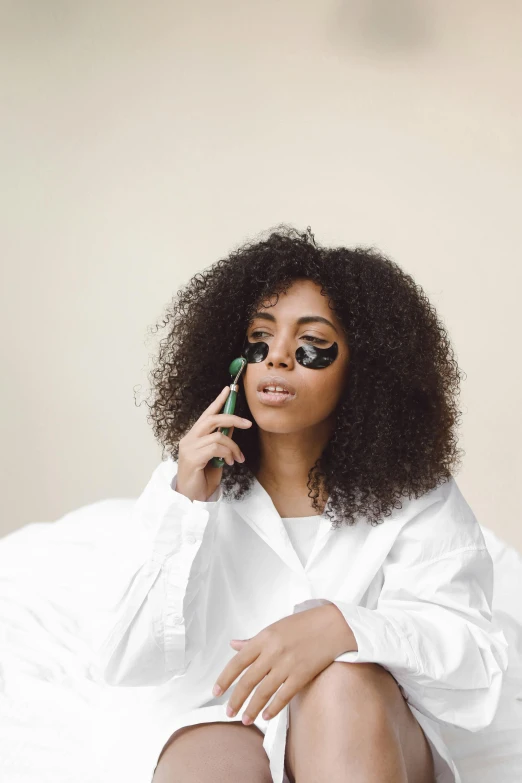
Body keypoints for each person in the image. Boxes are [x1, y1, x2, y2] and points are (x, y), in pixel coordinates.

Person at [96, 225, 509, 783]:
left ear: (365, 369)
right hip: (226, 717)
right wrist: (185, 509)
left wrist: (343, 630)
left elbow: (474, 660)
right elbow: (124, 661)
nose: (279, 359)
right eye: (259, 340)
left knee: (341, 680)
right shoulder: (182, 488)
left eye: (312, 343)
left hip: (366, 721)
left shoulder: (417, 493)